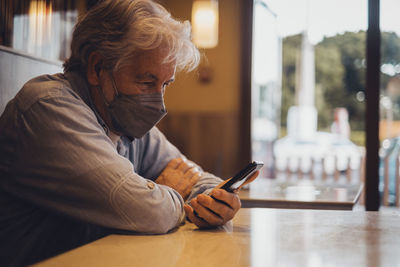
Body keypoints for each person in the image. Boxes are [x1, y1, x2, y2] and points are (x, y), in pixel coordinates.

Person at [0, 0, 257, 266]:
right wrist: (172, 193)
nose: (158, 101)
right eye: (146, 82)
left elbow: (196, 177)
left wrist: (214, 202)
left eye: (165, 84)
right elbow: (149, 213)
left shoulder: (120, 116)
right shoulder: (48, 108)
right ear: (97, 67)